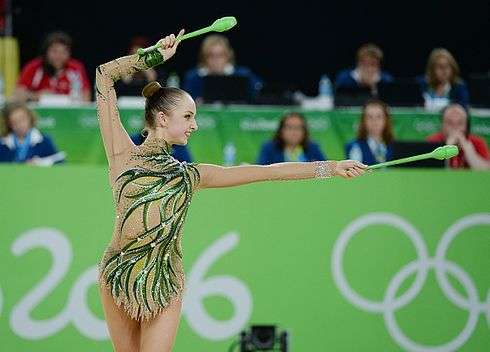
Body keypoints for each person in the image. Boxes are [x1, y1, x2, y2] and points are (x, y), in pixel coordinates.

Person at [96, 30, 367, 351]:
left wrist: (330, 167)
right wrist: (154, 56)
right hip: (118, 273)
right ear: (161, 117)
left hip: (165, 280)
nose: (194, 125)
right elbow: (104, 76)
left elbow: (265, 172)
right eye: (188, 117)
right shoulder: (121, 155)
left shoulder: (190, 176)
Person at [13, 31, 91, 103]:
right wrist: (37, 96)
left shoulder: (75, 68)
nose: (58, 56)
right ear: (46, 52)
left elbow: (86, 97)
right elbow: (17, 95)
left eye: (63, 52)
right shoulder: (34, 67)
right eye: (54, 51)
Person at [182, 34, 262, 102]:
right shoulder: (193, 78)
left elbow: (261, 94)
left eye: (220, 55)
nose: (216, 60)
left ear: (228, 56)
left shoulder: (244, 75)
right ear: (203, 57)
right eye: (211, 55)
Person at [426, 104, 490, 169]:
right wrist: (446, 148)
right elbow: (432, 172)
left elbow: (486, 171)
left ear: (466, 126)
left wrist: (468, 150)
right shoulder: (432, 141)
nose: (455, 127)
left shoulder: (477, 142)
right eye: (449, 123)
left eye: (460, 123)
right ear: (442, 125)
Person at [0, 102, 64, 165]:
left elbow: (60, 162)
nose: (20, 125)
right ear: (8, 124)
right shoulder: (2, 143)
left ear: (30, 118)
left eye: (22, 119)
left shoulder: (44, 140)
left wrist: (41, 163)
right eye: (15, 122)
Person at [256, 112, 326, 165]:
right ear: (281, 130)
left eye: (298, 128)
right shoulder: (269, 147)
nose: (294, 132)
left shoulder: (313, 147)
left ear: (304, 131)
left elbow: (325, 170)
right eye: (290, 127)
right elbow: (261, 171)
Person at [345, 99, 394, 165]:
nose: (375, 122)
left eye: (379, 117)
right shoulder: (355, 146)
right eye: (369, 117)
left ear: (386, 120)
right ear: (363, 121)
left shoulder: (395, 146)